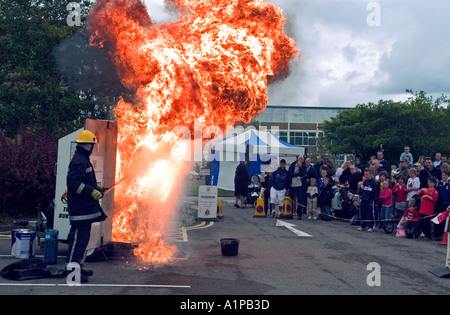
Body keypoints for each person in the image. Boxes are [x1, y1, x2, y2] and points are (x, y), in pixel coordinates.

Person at [66, 130, 107, 283]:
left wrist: (96, 189)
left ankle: (79, 267)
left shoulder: (83, 159)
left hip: (84, 210)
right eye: (92, 145)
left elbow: (85, 181)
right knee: (77, 241)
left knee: (82, 242)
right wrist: (91, 192)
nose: (93, 148)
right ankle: (72, 274)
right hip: (80, 210)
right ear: (87, 145)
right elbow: (73, 183)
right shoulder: (79, 160)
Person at [434, 169, 450, 241]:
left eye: (445, 175)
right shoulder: (438, 183)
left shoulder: (449, 184)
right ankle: (436, 234)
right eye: (443, 175)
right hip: (439, 203)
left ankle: (443, 235)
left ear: (448, 176)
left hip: (446, 204)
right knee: (438, 217)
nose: (444, 177)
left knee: (445, 219)